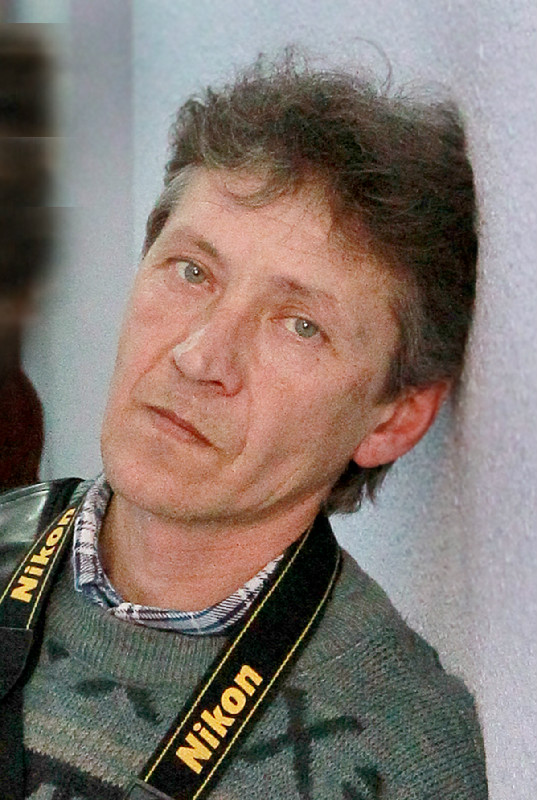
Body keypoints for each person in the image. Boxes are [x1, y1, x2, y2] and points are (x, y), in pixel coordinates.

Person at [0, 55, 487, 799]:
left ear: (395, 418)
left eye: (299, 324)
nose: (200, 358)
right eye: (192, 271)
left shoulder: (396, 750)